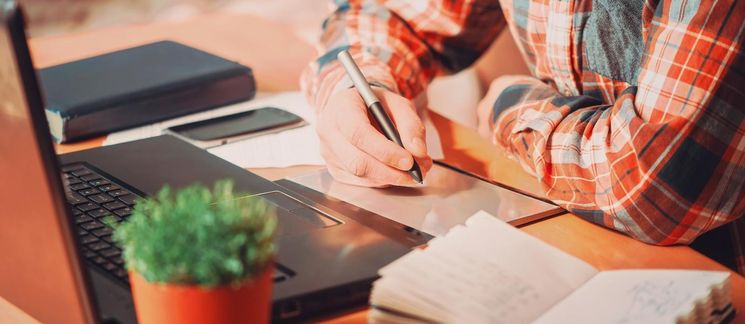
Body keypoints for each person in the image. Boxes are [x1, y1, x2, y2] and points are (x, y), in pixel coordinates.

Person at [300, 0, 745, 274]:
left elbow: (656, 187)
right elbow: (394, 14)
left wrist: (506, 107)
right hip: (582, 254)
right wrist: (359, 84)